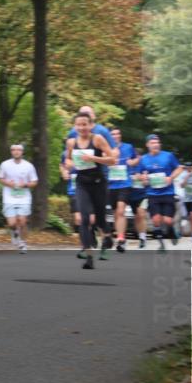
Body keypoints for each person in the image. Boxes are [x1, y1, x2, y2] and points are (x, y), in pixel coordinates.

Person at [65, 112, 117, 269]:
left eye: (84, 124)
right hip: (82, 183)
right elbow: (67, 159)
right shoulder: (71, 142)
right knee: (85, 219)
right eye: (79, 125)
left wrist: (94, 159)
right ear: (75, 126)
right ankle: (89, 257)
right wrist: (69, 164)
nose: (82, 128)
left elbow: (112, 160)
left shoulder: (98, 139)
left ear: (90, 125)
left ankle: (107, 236)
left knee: (100, 219)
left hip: (98, 182)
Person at [137, 134, 183, 254]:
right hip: (152, 194)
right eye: (152, 143)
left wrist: (170, 177)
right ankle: (161, 245)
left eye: (157, 142)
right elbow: (139, 175)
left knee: (167, 220)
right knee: (156, 220)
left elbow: (179, 168)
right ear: (147, 145)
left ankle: (172, 230)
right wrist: (143, 178)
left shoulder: (168, 156)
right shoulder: (143, 159)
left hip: (167, 192)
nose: (156, 144)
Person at [0, 144, 38, 254]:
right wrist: (8, 183)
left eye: (19, 150)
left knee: (22, 221)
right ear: (11, 152)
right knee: (12, 223)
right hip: (9, 197)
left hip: (24, 198)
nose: (16, 152)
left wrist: (25, 185)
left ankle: (23, 243)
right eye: (14, 150)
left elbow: (34, 182)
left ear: (22, 152)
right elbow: (0, 178)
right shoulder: (5, 165)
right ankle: (14, 232)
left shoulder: (29, 166)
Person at [108, 127, 141, 252]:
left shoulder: (128, 147)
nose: (116, 136)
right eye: (113, 134)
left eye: (118, 133)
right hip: (111, 185)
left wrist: (133, 162)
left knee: (121, 210)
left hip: (124, 184)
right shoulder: (106, 148)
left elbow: (137, 158)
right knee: (116, 213)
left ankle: (121, 238)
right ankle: (120, 236)